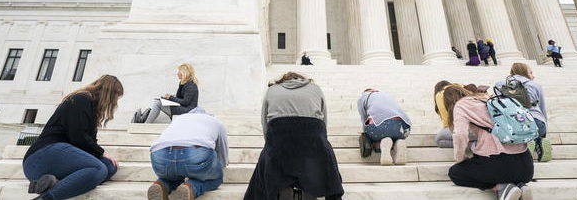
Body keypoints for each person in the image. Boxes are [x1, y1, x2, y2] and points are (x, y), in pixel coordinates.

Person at [22, 75, 123, 200]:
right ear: (108, 93)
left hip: (58, 160)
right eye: (115, 98)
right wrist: (101, 152)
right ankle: (46, 198)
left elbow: (88, 141)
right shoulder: (81, 99)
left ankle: (53, 183)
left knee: (109, 167)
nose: (115, 103)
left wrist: (101, 155)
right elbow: (78, 137)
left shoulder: (92, 109)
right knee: (98, 169)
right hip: (40, 157)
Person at [245, 72, 343, 200]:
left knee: (267, 157)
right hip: (312, 138)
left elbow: (265, 124)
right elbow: (323, 122)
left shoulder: (272, 90)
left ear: (282, 80)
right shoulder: (315, 89)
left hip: (279, 138)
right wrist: (321, 143)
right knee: (326, 154)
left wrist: (270, 146)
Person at [445, 85, 534, 200]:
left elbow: (460, 135)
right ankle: (520, 186)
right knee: (504, 170)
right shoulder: (491, 98)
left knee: (455, 173)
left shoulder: (461, 105)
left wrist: (460, 158)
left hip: (495, 164)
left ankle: (501, 187)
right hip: (526, 168)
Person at [147, 108, 228, 200]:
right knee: (216, 179)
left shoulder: (179, 119)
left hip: (159, 155)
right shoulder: (215, 121)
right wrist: (219, 165)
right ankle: (191, 188)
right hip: (194, 154)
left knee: (174, 177)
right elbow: (222, 151)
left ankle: (161, 185)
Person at [495, 62, 552, 163]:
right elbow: (542, 108)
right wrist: (544, 127)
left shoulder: (500, 85)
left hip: (513, 124)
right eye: (531, 72)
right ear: (525, 72)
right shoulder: (535, 85)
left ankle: (523, 144)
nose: (533, 75)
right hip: (536, 122)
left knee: (516, 133)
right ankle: (539, 141)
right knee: (536, 129)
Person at [357, 89, 412, 165]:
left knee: (372, 131)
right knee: (392, 132)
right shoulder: (388, 95)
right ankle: (398, 143)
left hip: (380, 128)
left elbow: (363, 118)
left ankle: (382, 145)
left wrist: (364, 130)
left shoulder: (363, 97)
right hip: (402, 129)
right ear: (375, 90)